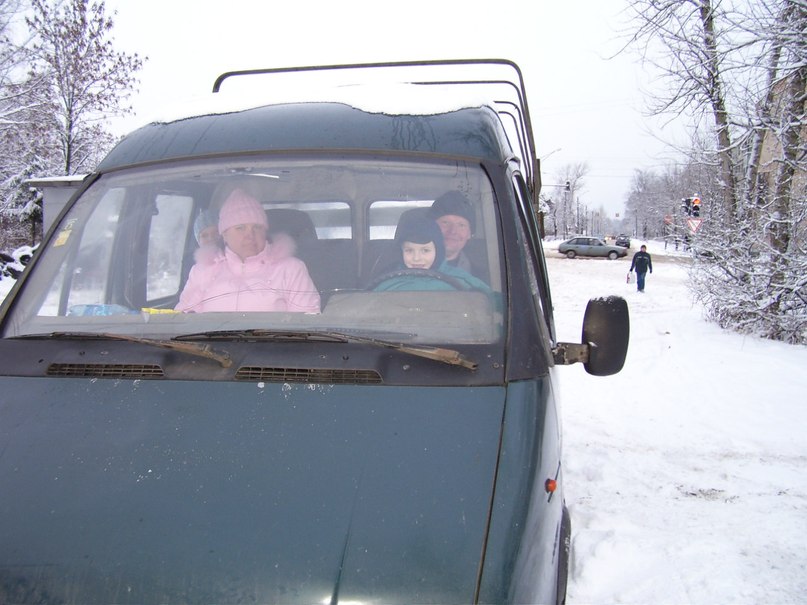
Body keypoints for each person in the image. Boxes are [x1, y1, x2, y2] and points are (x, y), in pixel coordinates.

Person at [176, 188, 320, 313]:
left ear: (265, 231)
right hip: (207, 345)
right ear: (224, 234)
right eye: (240, 228)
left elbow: (306, 321)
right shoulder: (202, 271)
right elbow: (184, 318)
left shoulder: (291, 269)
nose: (249, 235)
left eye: (256, 227)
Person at [373, 215, 491, 293]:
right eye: (409, 250)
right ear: (401, 251)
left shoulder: (463, 280)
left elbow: (492, 304)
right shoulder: (386, 283)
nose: (416, 258)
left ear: (438, 251)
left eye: (425, 250)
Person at [429, 191, 485, 278]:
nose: (453, 231)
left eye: (461, 225)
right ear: (431, 227)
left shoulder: (483, 279)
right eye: (445, 223)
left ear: (469, 233)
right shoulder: (407, 272)